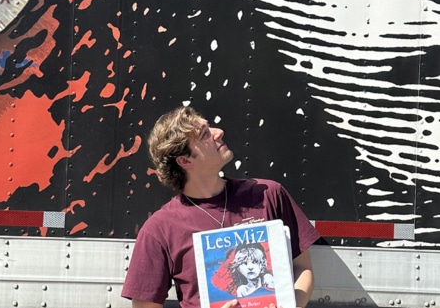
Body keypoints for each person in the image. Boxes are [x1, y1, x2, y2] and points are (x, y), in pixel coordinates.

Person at [121, 106, 320, 308]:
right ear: (185, 160)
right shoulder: (159, 229)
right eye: (205, 134)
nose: (219, 132)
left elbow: (302, 268)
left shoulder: (267, 194)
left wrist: (293, 305)